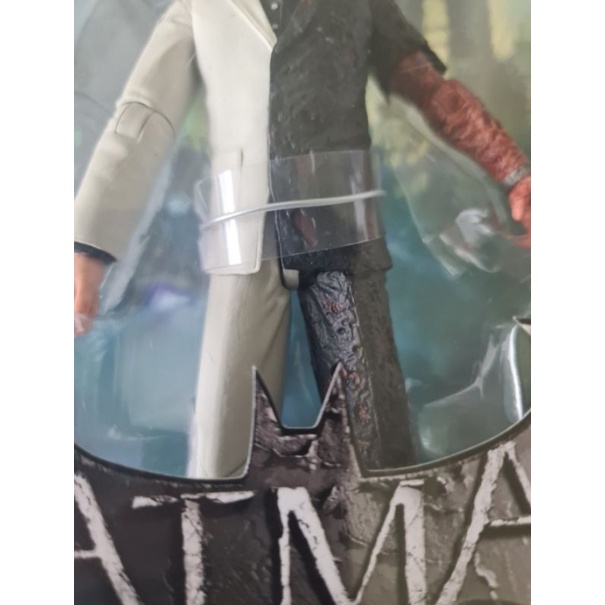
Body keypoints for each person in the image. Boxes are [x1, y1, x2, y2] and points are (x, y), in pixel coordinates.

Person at [74, 0, 530, 478]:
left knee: (374, 426)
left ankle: (389, 505)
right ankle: (220, 517)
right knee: (224, 433)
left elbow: (431, 90)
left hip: (340, 225)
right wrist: (90, 241)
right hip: (244, 229)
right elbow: (145, 114)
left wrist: (513, 171)